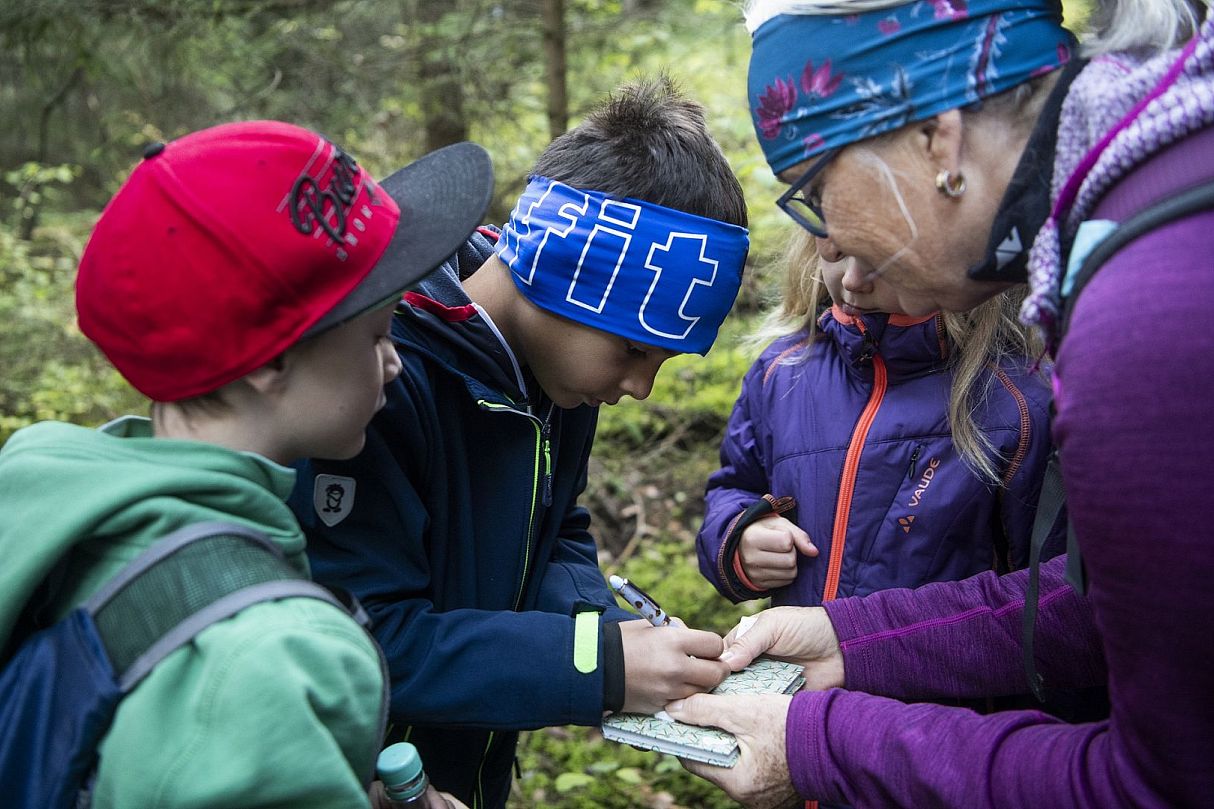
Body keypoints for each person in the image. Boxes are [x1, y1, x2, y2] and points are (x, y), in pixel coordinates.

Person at [665, 0, 1214, 806]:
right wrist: (851, 641)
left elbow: (1164, 784)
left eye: (815, 186)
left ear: (939, 140)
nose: (825, 245)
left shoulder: (1145, 313)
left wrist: (821, 743)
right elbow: (1097, 608)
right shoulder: (1156, 206)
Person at [0, 120, 492, 809]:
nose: (395, 360)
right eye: (378, 332)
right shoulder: (269, 659)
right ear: (270, 361)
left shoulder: (49, 493)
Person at [289, 76, 749, 808]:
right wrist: (595, 666)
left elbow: (557, 526)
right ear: (569, 278)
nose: (641, 387)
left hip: (468, 770)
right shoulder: (380, 382)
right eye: (634, 350)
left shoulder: (557, 378)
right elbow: (376, 641)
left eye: (663, 362)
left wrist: (604, 626)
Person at [698, 230, 1058, 608]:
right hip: (799, 664)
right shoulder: (782, 371)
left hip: (934, 664)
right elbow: (734, 486)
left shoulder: (1018, 401)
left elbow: (1047, 600)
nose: (852, 281)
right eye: (837, 251)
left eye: (881, 259)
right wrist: (740, 537)